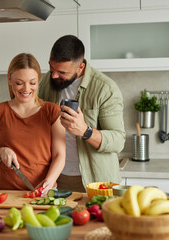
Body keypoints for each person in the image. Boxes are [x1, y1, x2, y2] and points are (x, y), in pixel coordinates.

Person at [38, 35, 125, 192]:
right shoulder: (47, 83)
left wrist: (86, 131)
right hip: (56, 178)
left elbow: (118, 141)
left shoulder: (105, 88)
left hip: (94, 180)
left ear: (80, 68)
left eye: (61, 72)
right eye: (51, 68)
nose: (54, 76)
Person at [0, 53, 66, 196]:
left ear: (39, 80)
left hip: (44, 191)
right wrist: (1, 151)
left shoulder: (52, 111)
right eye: (19, 83)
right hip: (7, 192)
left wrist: (49, 182)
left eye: (32, 83)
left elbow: (59, 155)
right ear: (9, 79)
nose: (26, 89)